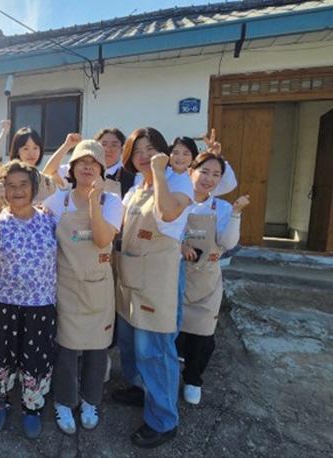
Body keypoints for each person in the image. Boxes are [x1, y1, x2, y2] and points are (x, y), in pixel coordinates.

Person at [113, 127, 192, 448]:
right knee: (131, 343)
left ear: (162, 152)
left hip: (158, 280)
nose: (143, 156)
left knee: (155, 351)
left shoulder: (177, 181)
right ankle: (139, 388)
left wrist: (160, 171)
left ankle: (163, 419)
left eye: (150, 149)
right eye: (137, 151)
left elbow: (168, 212)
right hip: (130, 276)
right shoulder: (134, 188)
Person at [43, 140, 122, 435]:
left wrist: (93, 203)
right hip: (65, 286)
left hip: (98, 288)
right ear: (73, 168)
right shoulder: (57, 201)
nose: (87, 167)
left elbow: (102, 240)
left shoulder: (112, 202)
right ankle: (64, 401)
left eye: (94, 163)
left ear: (102, 168)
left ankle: (90, 401)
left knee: (96, 351)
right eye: (81, 162)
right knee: (65, 349)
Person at [0, 160, 58, 439]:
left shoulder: (49, 217)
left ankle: (32, 406)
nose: (17, 190)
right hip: (2, 302)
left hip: (40, 304)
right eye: (10, 185)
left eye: (23, 184)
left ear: (34, 187)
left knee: (36, 357)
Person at [177, 153, 250, 405]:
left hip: (206, 281)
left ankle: (193, 379)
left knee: (203, 335)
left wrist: (237, 213)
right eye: (204, 171)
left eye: (216, 174)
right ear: (191, 172)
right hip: (175, 277)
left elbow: (228, 242)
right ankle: (173, 371)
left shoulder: (223, 208)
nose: (209, 179)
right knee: (174, 332)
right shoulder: (178, 201)